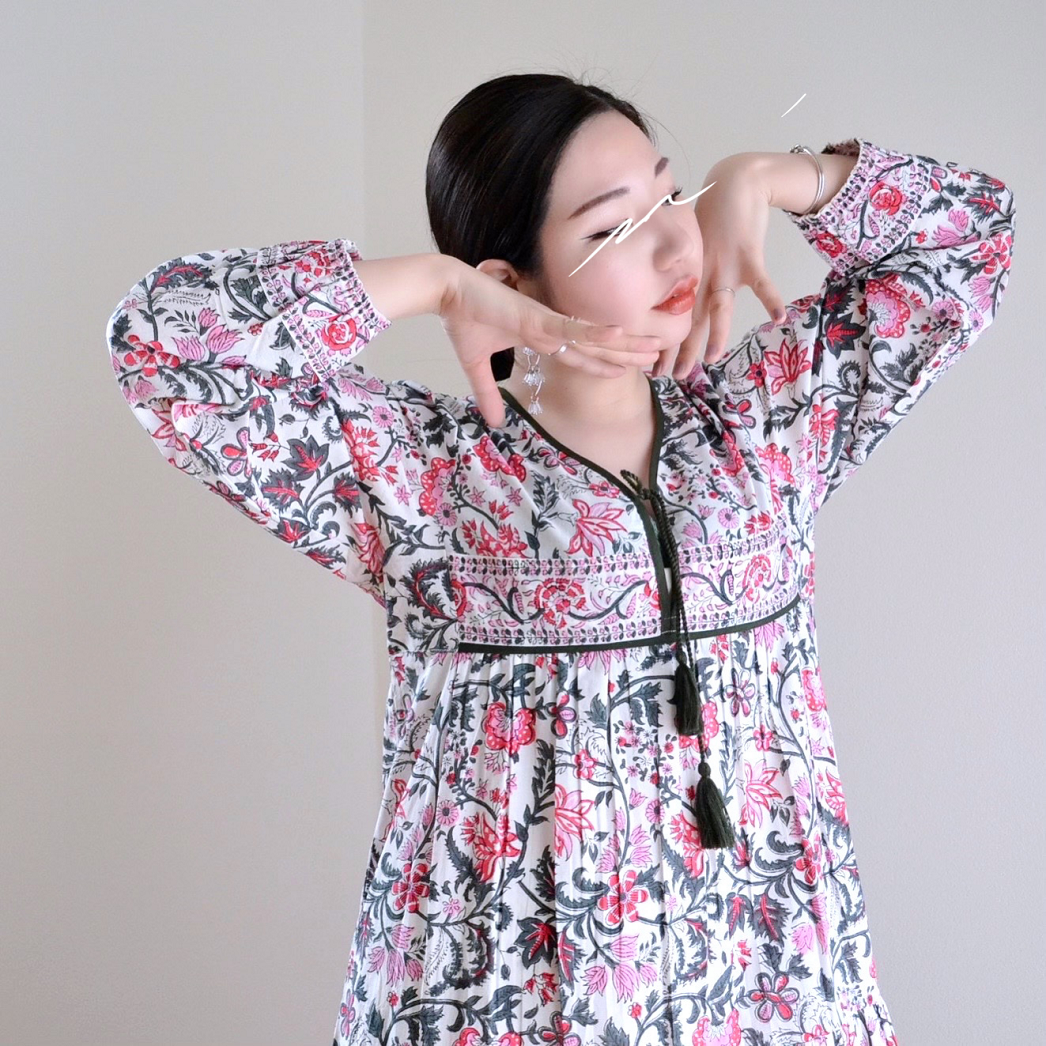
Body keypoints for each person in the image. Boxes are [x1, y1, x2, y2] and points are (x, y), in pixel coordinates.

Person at [105, 72, 1015, 1046]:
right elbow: (161, 349)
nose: (675, 244)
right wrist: (435, 283)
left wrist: (777, 176)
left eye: (671, 196)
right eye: (613, 228)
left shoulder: (765, 422)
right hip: (509, 995)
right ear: (509, 282)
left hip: (769, 981)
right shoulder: (422, 473)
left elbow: (968, 240)